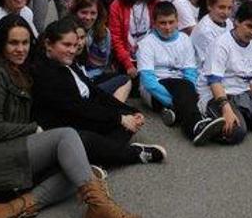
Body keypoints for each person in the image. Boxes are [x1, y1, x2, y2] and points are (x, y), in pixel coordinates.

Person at [0, 15, 142, 218]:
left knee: (77, 168)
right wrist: (35, 129)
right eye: (13, 43)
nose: (20, 49)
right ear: (0, 44)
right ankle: (99, 207)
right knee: (67, 138)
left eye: (24, 43)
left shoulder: (18, 69)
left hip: (1, 151)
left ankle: (8, 210)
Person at [31, 17, 164, 167]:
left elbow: (95, 92)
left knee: (127, 121)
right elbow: (80, 109)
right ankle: (134, 154)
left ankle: (101, 156)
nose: (73, 50)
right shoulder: (45, 73)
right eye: (66, 45)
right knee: (88, 139)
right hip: (64, 129)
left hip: (82, 118)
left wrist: (129, 111)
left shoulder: (66, 62)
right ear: (48, 44)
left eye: (75, 45)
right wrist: (119, 118)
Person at [137, 1, 225, 144]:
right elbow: (148, 82)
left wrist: (186, 96)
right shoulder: (147, 43)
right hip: (155, 92)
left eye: (171, 22)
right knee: (183, 89)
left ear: (177, 21)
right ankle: (195, 128)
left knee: (186, 86)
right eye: (162, 23)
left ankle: (179, 115)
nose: (167, 27)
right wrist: (178, 101)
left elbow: (190, 73)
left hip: (182, 89)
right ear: (154, 23)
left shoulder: (184, 39)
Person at [195, 1, 252, 144]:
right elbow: (214, 81)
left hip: (241, 93)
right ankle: (207, 122)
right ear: (237, 21)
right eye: (249, 26)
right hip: (217, 94)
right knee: (236, 132)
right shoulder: (221, 43)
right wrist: (226, 109)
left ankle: (238, 120)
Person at [108, 0, 160, 78]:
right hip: (126, 59)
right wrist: (128, 65)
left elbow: (158, 32)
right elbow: (116, 39)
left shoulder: (155, 1)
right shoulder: (116, 6)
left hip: (151, 56)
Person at [69, 0, 114, 84]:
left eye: (93, 13)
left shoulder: (104, 33)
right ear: (75, 12)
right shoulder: (67, 29)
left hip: (95, 74)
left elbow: (101, 64)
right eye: (84, 12)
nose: (88, 18)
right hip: (72, 76)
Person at [190, 0, 235, 69]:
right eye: (221, 7)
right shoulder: (205, 30)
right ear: (210, 6)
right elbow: (210, 62)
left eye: (229, 8)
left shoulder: (228, 22)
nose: (226, 12)